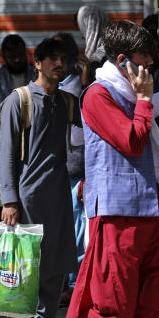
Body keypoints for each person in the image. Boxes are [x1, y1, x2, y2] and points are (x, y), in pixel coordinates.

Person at [39, 20, 159, 318]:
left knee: (151, 307)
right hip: (117, 215)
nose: (151, 63)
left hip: (150, 210)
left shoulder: (135, 92)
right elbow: (133, 141)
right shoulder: (97, 96)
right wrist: (145, 101)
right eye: (143, 58)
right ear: (122, 61)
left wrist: (144, 99)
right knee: (112, 307)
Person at [0, 38, 82, 318]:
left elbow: (92, 123)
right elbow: (6, 154)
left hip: (59, 194)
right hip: (27, 196)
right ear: (38, 62)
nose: (59, 64)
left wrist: (86, 82)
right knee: (27, 266)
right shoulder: (18, 100)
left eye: (65, 59)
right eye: (53, 59)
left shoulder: (66, 101)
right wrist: (10, 200)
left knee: (55, 262)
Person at [52, 33, 90, 295]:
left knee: (76, 228)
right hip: (57, 170)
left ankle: (74, 284)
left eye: (61, 58)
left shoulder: (81, 86)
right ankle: (65, 282)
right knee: (61, 227)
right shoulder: (54, 87)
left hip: (76, 171)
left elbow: (86, 135)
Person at [0, 34, 36, 120]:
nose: (17, 59)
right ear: (4, 58)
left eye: (20, 55)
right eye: (12, 57)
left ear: (25, 52)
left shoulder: (38, 77)